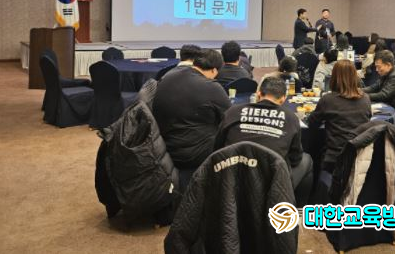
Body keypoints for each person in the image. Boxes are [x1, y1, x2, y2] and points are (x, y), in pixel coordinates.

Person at [214, 77, 312, 206]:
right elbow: (295, 158)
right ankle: (295, 208)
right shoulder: (291, 118)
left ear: (258, 94)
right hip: (271, 182)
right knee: (307, 160)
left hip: (231, 175)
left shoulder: (233, 111)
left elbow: (218, 148)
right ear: (283, 99)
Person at [153, 49, 230, 172]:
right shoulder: (211, 86)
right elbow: (229, 117)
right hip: (194, 155)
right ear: (214, 70)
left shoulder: (168, 75)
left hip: (162, 147)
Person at [308, 60, 371, 173]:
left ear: (334, 77)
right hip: (359, 156)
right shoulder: (365, 98)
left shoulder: (328, 100)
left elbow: (312, 123)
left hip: (334, 158)